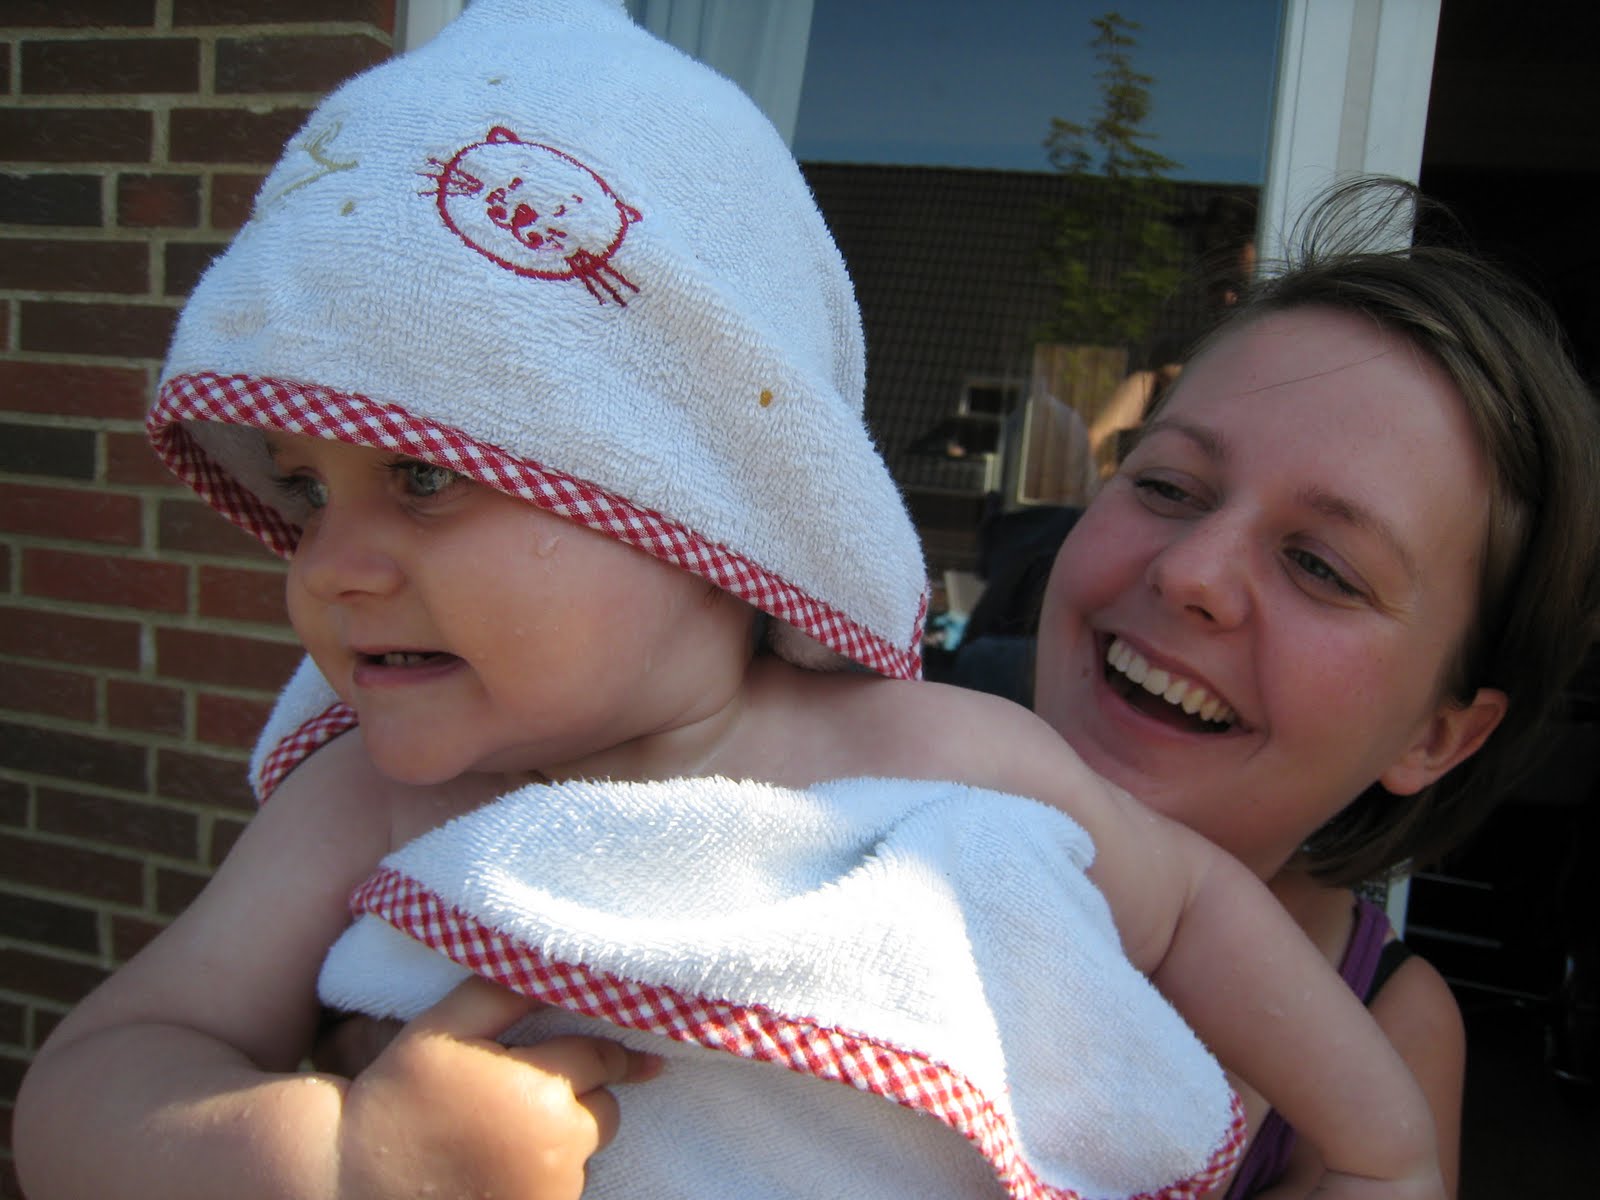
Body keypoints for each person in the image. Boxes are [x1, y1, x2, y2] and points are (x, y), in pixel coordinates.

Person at [13, 4, 1445, 1198]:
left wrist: (1380, 1149)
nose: (329, 564)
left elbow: (1188, 909)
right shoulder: (369, 807)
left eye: (425, 478)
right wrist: (337, 1157)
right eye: (305, 490)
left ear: (694, 502)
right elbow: (93, 1078)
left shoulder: (931, 752)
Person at [1028, 178, 1600, 1197]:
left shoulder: (1384, 1036)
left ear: (1435, 737)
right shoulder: (843, 782)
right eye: (1165, 485)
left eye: (1321, 567)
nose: (1193, 572)